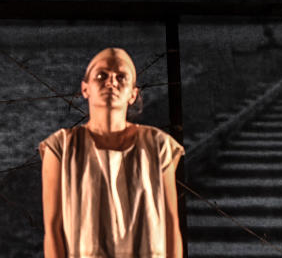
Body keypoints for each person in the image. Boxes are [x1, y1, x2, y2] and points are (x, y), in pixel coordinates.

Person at [39, 48, 184, 258]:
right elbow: (53, 229)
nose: (111, 82)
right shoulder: (61, 147)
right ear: (85, 88)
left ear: (133, 94)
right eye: (102, 76)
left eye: (121, 77)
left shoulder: (158, 145)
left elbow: (171, 224)